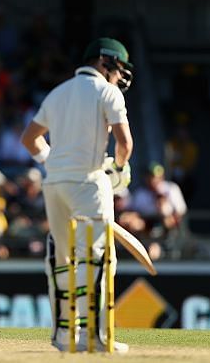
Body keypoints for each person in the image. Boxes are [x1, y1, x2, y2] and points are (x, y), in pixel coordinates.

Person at [21, 37, 134, 353]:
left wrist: (51, 160)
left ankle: (62, 335)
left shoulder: (58, 92)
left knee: (61, 259)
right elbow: (125, 145)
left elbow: (29, 138)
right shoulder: (107, 92)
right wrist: (118, 171)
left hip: (54, 184)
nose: (120, 75)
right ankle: (95, 337)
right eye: (120, 67)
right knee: (96, 258)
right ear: (105, 60)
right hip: (88, 183)